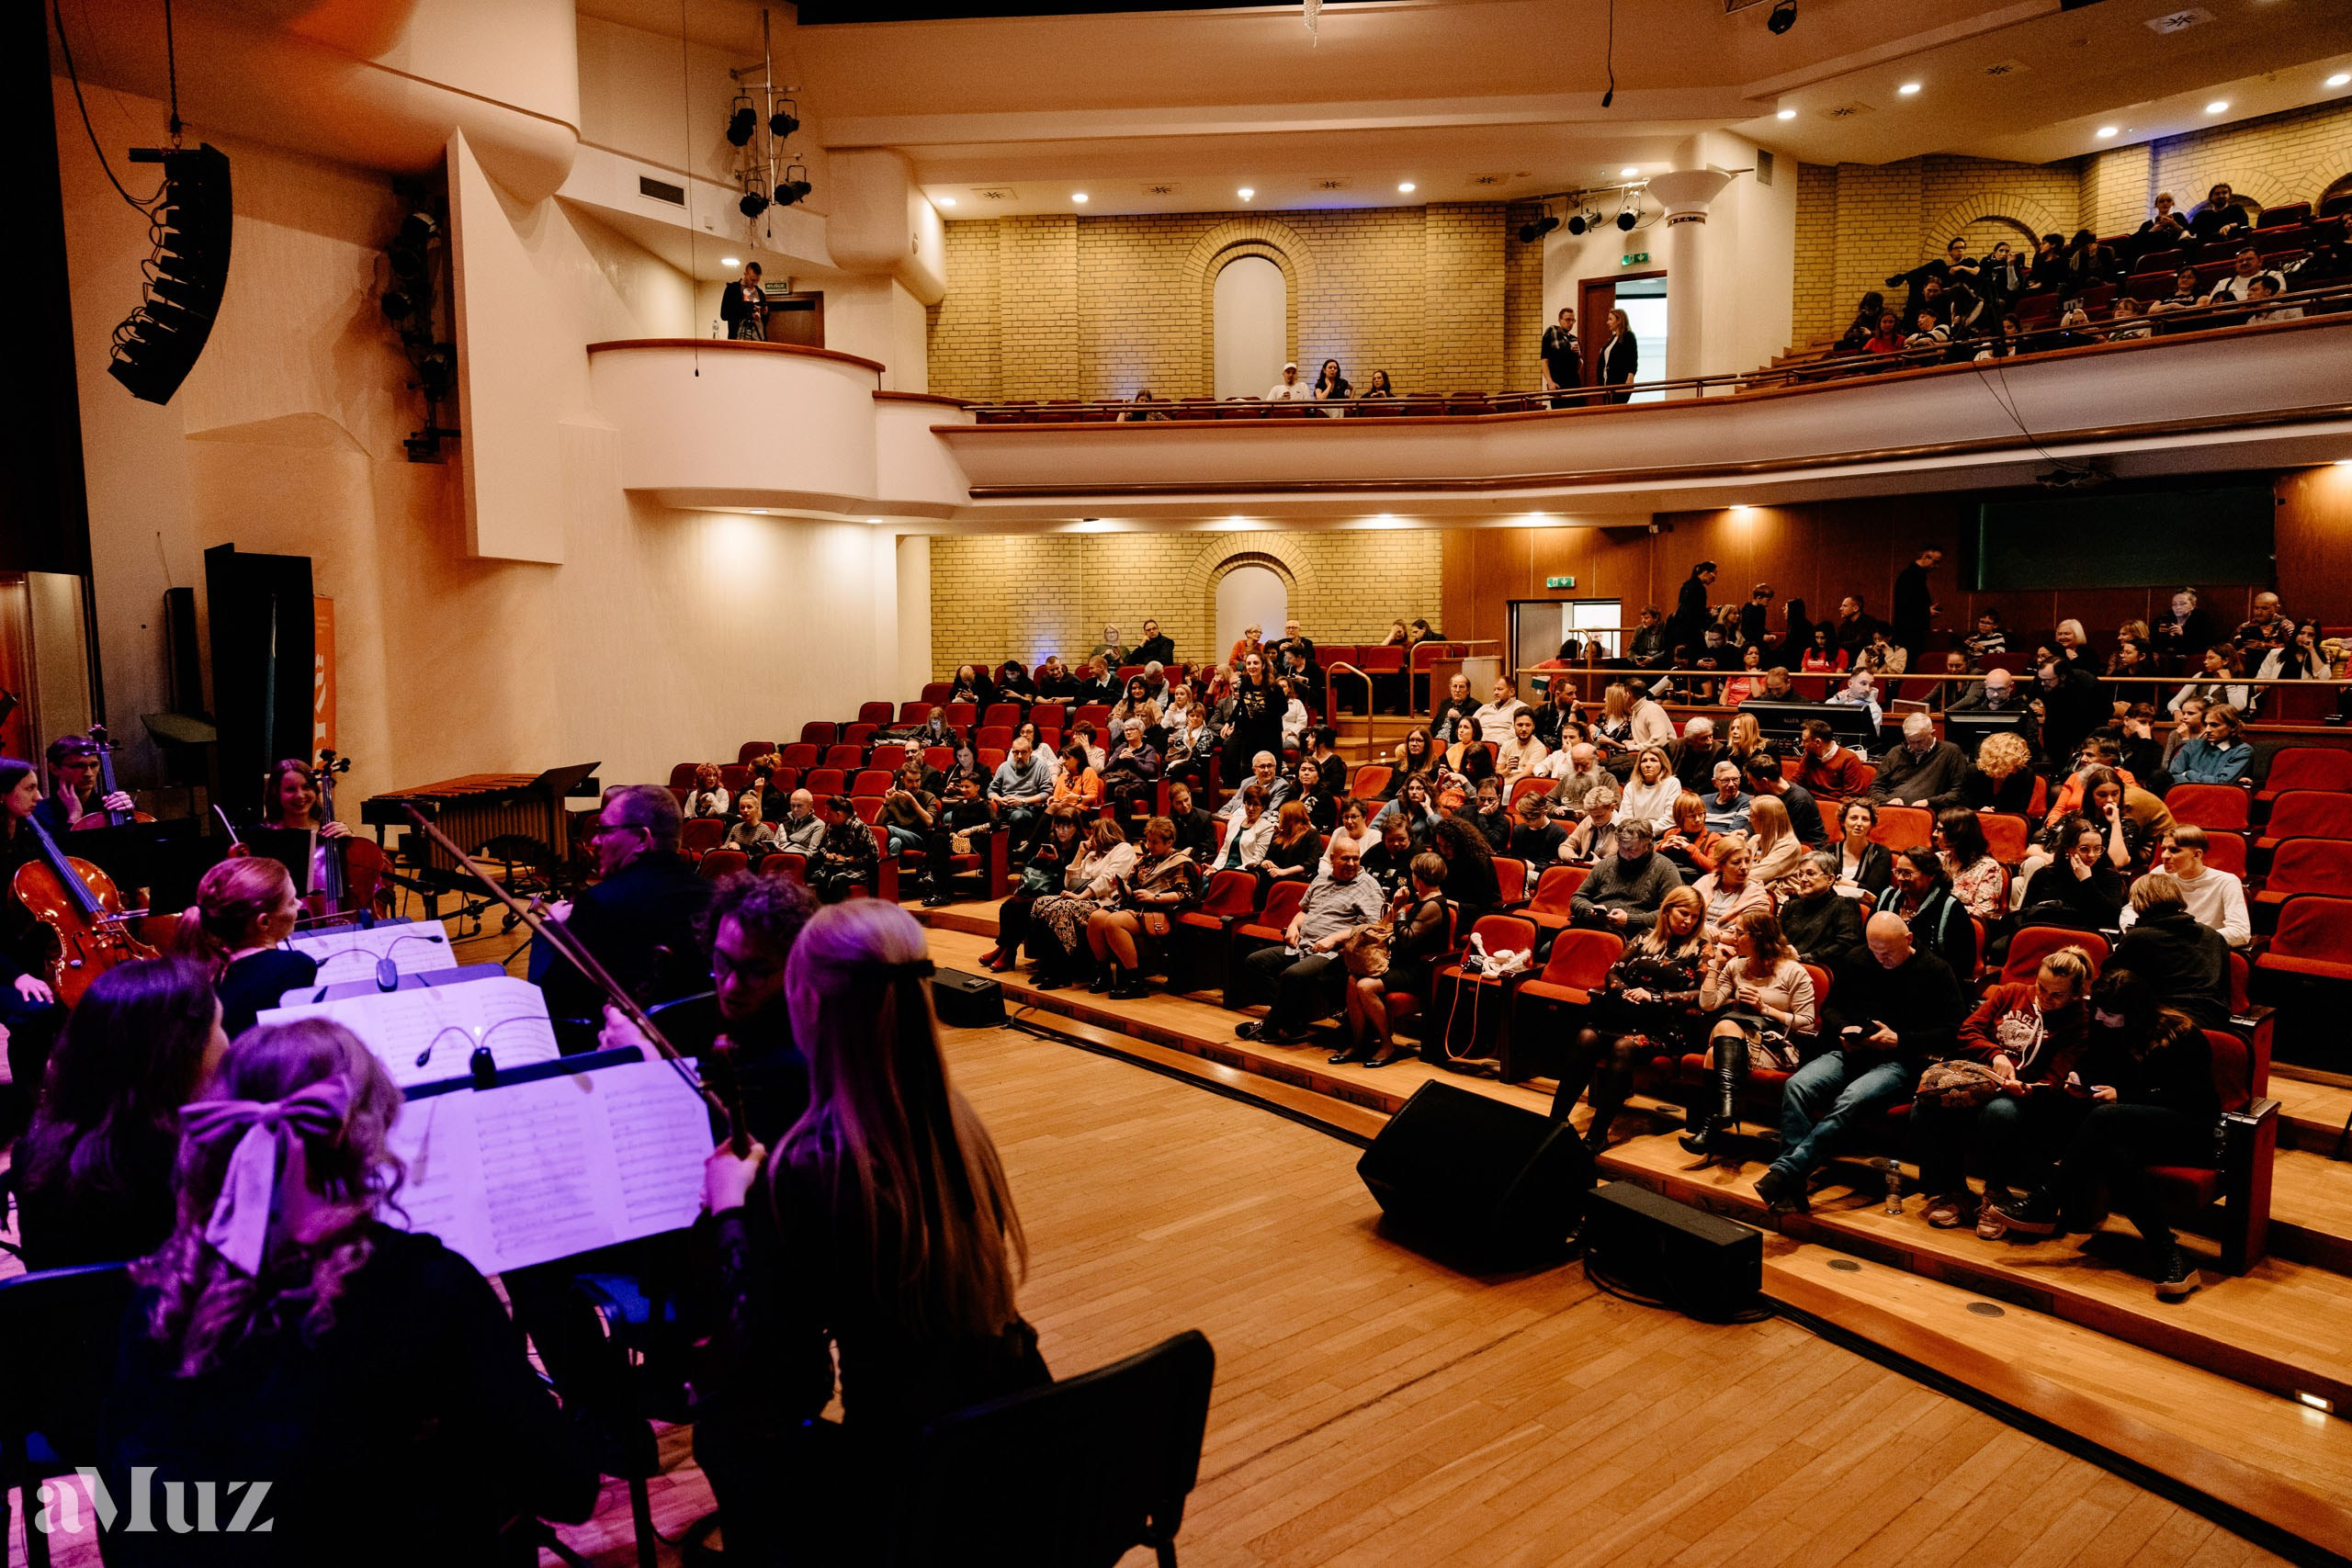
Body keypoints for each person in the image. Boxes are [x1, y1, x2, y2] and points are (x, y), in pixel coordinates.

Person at [101, 1019, 597, 1562]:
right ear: (364, 1129)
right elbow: (566, 1488)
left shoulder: (162, 1297)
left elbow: (131, 1517)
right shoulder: (427, 1287)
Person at [695, 902, 1047, 1563]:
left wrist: (732, 1211)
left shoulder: (814, 1162)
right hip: (1012, 1446)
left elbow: (783, 1373)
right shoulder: (961, 1124)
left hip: (909, 1485)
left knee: (724, 1431)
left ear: (807, 1002)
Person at [1986, 1001, 2221, 1300]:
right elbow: (2095, 1067)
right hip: (2136, 1129)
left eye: (2109, 1012)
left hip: (2189, 1129)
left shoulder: (2182, 1034)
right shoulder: (2110, 1031)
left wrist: (2123, 1095)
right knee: (2112, 1152)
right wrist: (2080, 1081)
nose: (2099, 1017)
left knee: (2103, 1119)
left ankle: (2046, 1202)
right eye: (2098, 1010)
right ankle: (2170, 1254)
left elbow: (2193, 1100)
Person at [14, 956, 226, 1270]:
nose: (228, 1040)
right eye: (219, 1025)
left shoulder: (35, 1154)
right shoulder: (203, 1159)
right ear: (179, 1051)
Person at [1755, 911, 1963, 1213]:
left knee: (1851, 1099)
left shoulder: (1936, 971)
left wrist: (1900, 1039)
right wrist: (1844, 1030)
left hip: (1898, 1061)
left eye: (1888, 952)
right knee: (1797, 1086)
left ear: (1908, 940)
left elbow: (1952, 1030)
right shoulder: (1857, 959)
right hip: (1852, 1051)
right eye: (1874, 950)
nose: (1880, 959)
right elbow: (1831, 1009)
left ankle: (1786, 1172)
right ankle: (1794, 1183)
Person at [1913, 945, 2095, 1232]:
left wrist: (2027, 1088)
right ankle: (1954, 1191)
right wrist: (1995, 1055)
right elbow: (1967, 1031)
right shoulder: (2010, 992)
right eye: (2041, 987)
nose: (2045, 998)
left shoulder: (2079, 1022)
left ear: (2075, 994)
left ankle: (1995, 1195)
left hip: (2027, 1097)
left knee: (2000, 1113)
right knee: (1925, 1103)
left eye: (2057, 994)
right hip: (1983, 1080)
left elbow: (2056, 1078)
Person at [536, 784, 711, 1023]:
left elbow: (550, 1005)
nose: (595, 841)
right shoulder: (714, 896)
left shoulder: (599, 905)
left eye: (605, 831)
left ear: (641, 839)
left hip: (617, 1049)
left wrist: (550, 931)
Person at [1552, 886, 1708, 1151]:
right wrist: (1625, 992)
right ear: (1668, 910)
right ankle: (1554, 1123)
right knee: (1587, 1036)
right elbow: (1613, 973)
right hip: (1625, 1016)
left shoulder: (1700, 949)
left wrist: (1655, 997)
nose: (1688, 921)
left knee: (1623, 1047)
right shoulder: (1645, 937)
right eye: (1683, 913)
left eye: (1694, 917)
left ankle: (1598, 1134)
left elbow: (1703, 994)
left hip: (1665, 1026)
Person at [1679, 908, 1820, 1157]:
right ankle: (1722, 1118)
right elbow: (1708, 1004)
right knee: (1721, 1038)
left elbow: (1807, 1023)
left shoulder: (1793, 971)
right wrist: (1716, 965)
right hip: (1737, 1041)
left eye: (1739, 932)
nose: (1733, 936)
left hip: (1777, 1045)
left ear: (1757, 937)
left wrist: (1765, 1008)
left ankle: (1715, 1125)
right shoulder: (1736, 966)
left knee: (1717, 1045)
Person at [1234, 841, 1387, 1043]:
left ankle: (1269, 1027)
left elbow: (1372, 927)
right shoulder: (1321, 879)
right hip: (1303, 944)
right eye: (1345, 858)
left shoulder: (1368, 885)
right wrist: (1293, 926)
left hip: (1334, 952)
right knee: (1255, 962)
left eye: (1355, 858)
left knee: (1294, 974)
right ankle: (1292, 1023)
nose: (1351, 863)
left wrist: (1333, 939)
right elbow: (1304, 910)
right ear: (1332, 859)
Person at [174, 855, 317, 1039]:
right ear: (264, 922)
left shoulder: (210, 970)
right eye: (291, 901)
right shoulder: (294, 966)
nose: (300, 904)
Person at [1335, 852, 1452, 1068]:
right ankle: (1358, 1042)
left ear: (1420, 877)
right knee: (1353, 979)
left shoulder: (1434, 906)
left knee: (1365, 985)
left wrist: (1398, 908)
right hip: (1402, 964)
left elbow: (1406, 939)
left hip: (1418, 971)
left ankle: (1387, 1044)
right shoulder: (1422, 902)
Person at [1082, 817, 1199, 998]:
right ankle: (1104, 973)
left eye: (1155, 842)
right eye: (1147, 841)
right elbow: (1132, 890)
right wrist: (1121, 886)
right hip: (1137, 906)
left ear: (1169, 842)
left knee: (1114, 922)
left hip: (1160, 911)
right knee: (1096, 918)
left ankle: (1135, 981)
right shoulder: (1146, 860)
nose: (1149, 846)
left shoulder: (1181, 863)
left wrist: (1155, 897)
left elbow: (1186, 895)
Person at [2109, 874, 2232, 1026]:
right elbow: (2225, 990)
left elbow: (2112, 982)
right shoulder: (2213, 935)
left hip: (2165, 1023)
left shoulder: (2139, 937)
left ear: (2138, 902)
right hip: (2213, 1020)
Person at [984, 808, 1083, 972]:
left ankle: (1008, 953)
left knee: (1019, 906)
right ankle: (1003, 949)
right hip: (1041, 889)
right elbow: (1033, 869)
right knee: (1008, 905)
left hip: (1061, 894)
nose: (1061, 831)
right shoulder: (1052, 841)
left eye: (1067, 827)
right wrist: (1038, 859)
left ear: (1076, 828)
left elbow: (1072, 882)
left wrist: (1057, 863)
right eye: (1058, 826)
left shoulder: (1080, 847)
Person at [2126, 826, 2249, 949]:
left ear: (2197, 855)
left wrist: (2184, 938)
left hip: (2199, 952)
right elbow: (2131, 909)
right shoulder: (2159, 873)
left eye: (2174, 850)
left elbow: (2240, 933)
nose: (2164, 856)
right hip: (2159, 945)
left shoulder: (2227, 882)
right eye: (2163, 849)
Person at [1569, 818, 1679, 933]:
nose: (1626, 855)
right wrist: (1591, 910)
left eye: (1633, 850)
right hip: (1595, 926)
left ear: (1648, 843)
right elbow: (1577, 898)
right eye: (1622, 848)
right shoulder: (1606, 864)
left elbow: (1671, 912)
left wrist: (1630, 920)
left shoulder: (1666, 869)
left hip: (1635, 933)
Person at [2019, 814, 2128, 930]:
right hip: (2047, 933)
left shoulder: (2109, 876)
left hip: (2088, 935)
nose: (2091, 855)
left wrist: (2087, 881)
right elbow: (2024, 914)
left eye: (2097, 848)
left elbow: (2112, 917)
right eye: (2084, 849)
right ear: (2068, 848)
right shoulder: (2045, 874)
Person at [1885, 846, 1975, 978]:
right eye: (1897, 871)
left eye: (1907, 873)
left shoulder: (1950, 908)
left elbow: (1962, 965)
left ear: (1930, 875)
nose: (1900, 878)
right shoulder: (1886, 898)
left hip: (1932, 982)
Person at [33, 732, 136, 836]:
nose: (88, 773)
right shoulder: (39, 813)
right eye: (78, 766)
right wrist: (74, 816)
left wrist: (129, 815)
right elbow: (60, 850)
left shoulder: (110, 807)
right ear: (54, 769)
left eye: (94, 765)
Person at [1779, 854, 1866, 972]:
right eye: (1801, 874)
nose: (1803, 879)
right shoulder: (1791, 906)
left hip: (1818, 970)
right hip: (1782, 967)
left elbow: (1845, 944)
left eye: (1810, 874)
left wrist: (1807, 958)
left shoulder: (1844, 905)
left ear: (1830, 879)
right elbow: (1775, 938)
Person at [1868, 713, 1968, 807]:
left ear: (1933, 733)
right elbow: (1875, 788)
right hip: (1893, 809)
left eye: (1920, 741)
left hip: (1929, 811)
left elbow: (1958, 792)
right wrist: (1887, 801)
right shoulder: (1896, 752)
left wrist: (1929, 802)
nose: (1916, 746)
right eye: (1911, 741)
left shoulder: (1950, 752)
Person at [1936, 807, 2007, 924]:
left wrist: (1943, 909)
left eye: (1939, 830)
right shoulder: (1938, 859)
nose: (1934, 834)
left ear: (1957, 833)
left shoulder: (1988, 868)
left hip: (1964, 927)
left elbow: (1984, 911)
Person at [1432, 813, 1503, 931]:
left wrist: (1451, 903)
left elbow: (1484, 905)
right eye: (1440, 845)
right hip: (1446, 908)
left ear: (1459, 844)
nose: (1443, 851)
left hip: (1473, 915)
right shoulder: (1441, 856)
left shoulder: (1479, 862)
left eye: (1448, 846)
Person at [988, 736, 1057, 855]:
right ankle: (988, 858)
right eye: (1016, 752)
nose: (1019, 756)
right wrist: (1000, 799)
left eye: (1023, 752)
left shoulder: (1040, 766)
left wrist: (1023, 801)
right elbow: (990, 791)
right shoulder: (1004, 767)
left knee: (1017, 816)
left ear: (1030, 752)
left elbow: (1047, 792)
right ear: (1011, 751)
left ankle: (1009, 855)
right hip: (1005, 807)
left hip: (1029, 809)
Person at [1820, 798, 1893, 903]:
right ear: (1843, 822)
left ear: (1871, 825)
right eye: (1853, 818)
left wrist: (1841, 881)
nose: (1859, 823)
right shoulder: (1828, 852)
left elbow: (1875, 892)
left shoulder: (1880, 853)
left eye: (1865, 819)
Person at [2166, 701, 2252, 784]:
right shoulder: (2193, 745)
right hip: (2185, 794)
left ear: (2232, 726)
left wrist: (2188, 773)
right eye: (2205, 724)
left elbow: (2221, 782)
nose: (2207, 730)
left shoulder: (2242, 751)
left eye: (2214, 725)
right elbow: (2173, 774)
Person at [877, 760, 938, 860]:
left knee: (888, 829)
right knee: (895, 842)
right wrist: (886, 802)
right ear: (903, 779)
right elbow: (878, 824)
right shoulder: (896, 797)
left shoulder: (929, 796)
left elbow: (929, 822)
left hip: (919, 838)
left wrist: (912, 801)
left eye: (917, 780)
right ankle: (892, 872)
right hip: (898, 835)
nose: (914, 785)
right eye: (910, 781)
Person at [1562, 785, 1623, 863]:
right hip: (1585, 870)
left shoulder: (1625, 827)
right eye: (1592, 815)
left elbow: (1628, 862)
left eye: (1600, 816)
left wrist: (1601, 865)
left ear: (1612, 808)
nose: (1595, 820)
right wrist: (1572, 857)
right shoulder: (1588, 820)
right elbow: (1565, 846)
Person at [1540, 305, 1583, 406]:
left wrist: (1579, 354)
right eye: (1568, 320)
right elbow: (1544, 361)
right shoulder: (1551, 333)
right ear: (1560, 320)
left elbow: (1578, 366)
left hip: (1574, 383)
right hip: (1558, 383)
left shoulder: (1574, 339)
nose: (1571, 323)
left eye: (1573, 320)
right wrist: (1550, 382)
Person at [1508, 789, 1566, 863]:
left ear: (1544, 813)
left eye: (1531, 819)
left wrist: (1534, 867)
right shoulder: (1518, 830)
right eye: (1524, 818)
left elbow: (1555, 865)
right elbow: (1514, 858)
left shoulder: (1558, 833)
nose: (1526, 822)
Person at [1701, 760, 1752, 839]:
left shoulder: (1746, 802)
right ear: (1715, 783)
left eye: (1735, 779)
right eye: (1725, 780)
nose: (1731, 784)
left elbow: (1731, 833)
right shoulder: (1703, 800)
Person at [1599, 308, 1638, 401]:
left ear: (1619, 320)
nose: (1608, 322)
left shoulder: (1628, 336)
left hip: (1619, 381)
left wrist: (1630, 377)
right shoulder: (1613, 339)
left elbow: (1632, 358)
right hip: (1606, 382)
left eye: (1610, 319)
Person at [775, 788, 827, 854]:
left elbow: (813, 852)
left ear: (810, 805)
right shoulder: (783, 825)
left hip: (798, 861)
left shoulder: (818, 825)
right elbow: (775, 846)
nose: (795, 809)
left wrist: (788, 855)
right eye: (793, 806)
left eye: (799, 806)